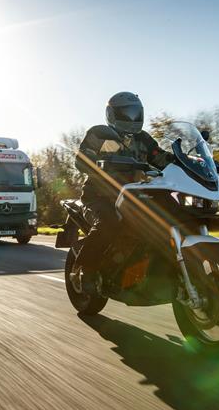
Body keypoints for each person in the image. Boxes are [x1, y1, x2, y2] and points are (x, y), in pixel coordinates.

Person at [74, 92, 174, 294]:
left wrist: (190, 163)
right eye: (127, 114)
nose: (132, 119)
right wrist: (101, 161)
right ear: (113, 114)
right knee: (109, 223)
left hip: (135, 195)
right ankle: (86, 270)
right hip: (99, 196)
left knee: (164, 219)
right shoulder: (99, 134)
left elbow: (161, 158)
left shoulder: (143, 138)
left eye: (136, 113)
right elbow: (80, 160)